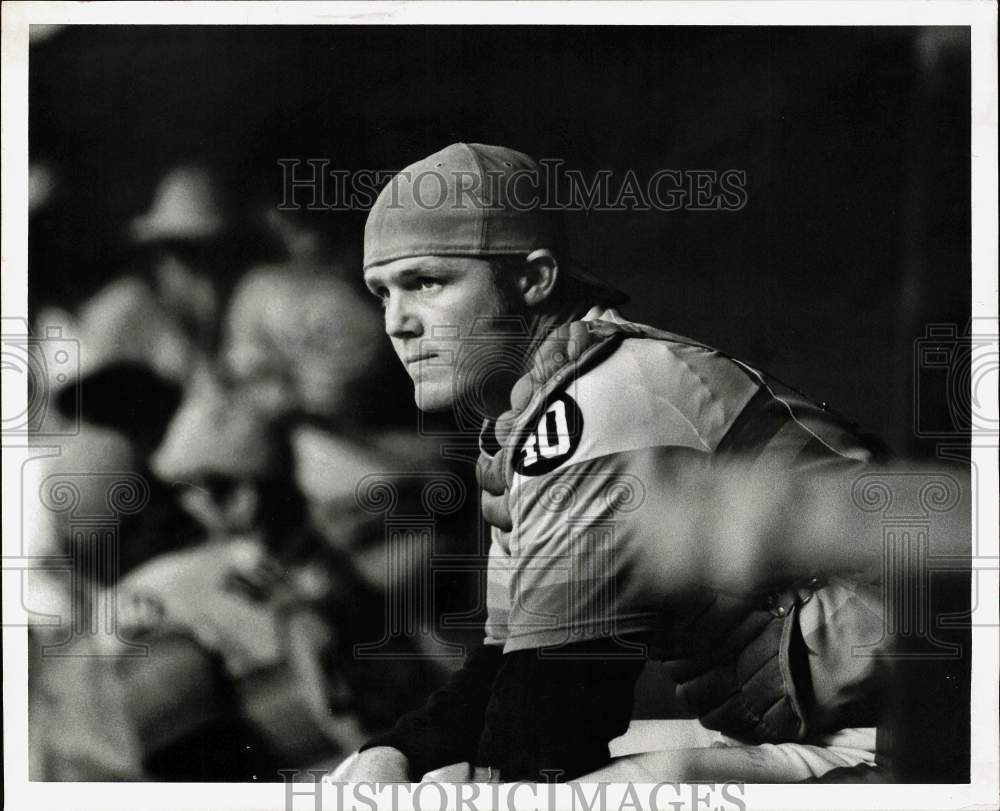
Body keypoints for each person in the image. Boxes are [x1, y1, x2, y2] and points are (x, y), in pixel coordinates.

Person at [337, 143, 887, 783]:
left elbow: (547, 729)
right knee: (379, 772)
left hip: (926, 738)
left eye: (426, 283)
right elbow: (505, 666)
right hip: (843, 729)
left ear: (535, 280)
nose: (397, 322)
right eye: (381, 292)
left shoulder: (608, 400)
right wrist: (393, 753)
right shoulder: (528, 417)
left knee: (552, 793)